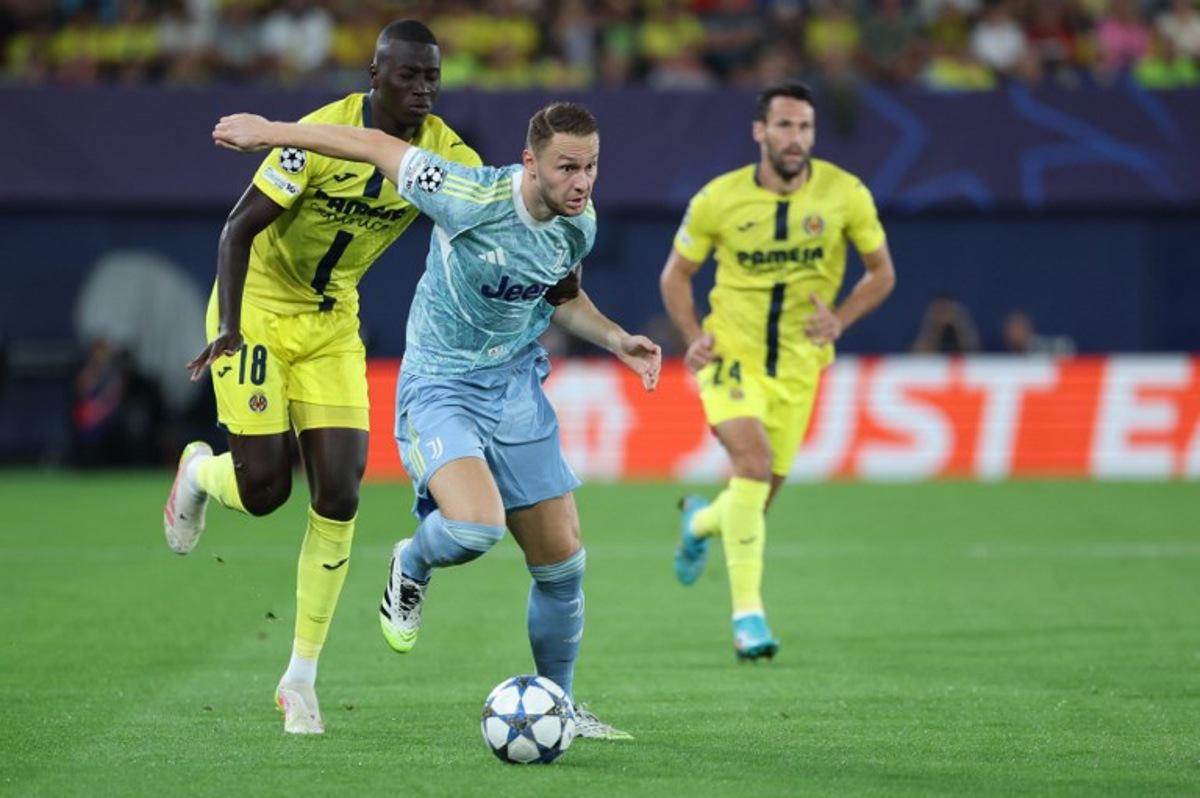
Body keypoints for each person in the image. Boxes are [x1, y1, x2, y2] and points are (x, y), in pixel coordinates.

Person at [212, 100, 661, 739]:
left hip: (515, 392)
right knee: (476, 528)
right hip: (440, 388)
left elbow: (562, 296)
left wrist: (617, 338)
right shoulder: (465, 192)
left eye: (591, 167)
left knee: (563, 567)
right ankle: (411, 564)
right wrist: (270, 133)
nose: (582, 182)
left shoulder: (577, 223)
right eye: (567, 167)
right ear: (530, 163)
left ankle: (559, 706)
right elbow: (372, 144)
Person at [162, 20, 488, 735]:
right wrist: (229, 325)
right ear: (375, 76)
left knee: (340, 494)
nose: (424, 90)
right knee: (266, 489)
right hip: (256, 313)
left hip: (334, 322)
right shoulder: (319, 133)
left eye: (433, 77)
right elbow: (237, 230)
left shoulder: (444, 156)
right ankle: (197, 474)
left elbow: (488, 211)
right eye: (410, 76)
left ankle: (300, 679)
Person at [659, 81, 897, 660]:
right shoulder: (718, 199)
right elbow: (675, 277)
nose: (797, 138)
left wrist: (840, 319)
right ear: (760, 132)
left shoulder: (846, 194)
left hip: (798, 367)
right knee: (754, 463)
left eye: (806, 127)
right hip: (731, 358)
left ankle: (700, 523)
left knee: (756, 500)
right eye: (786, 126)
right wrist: (693, 339)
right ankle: (749, 620)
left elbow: (881, 272)